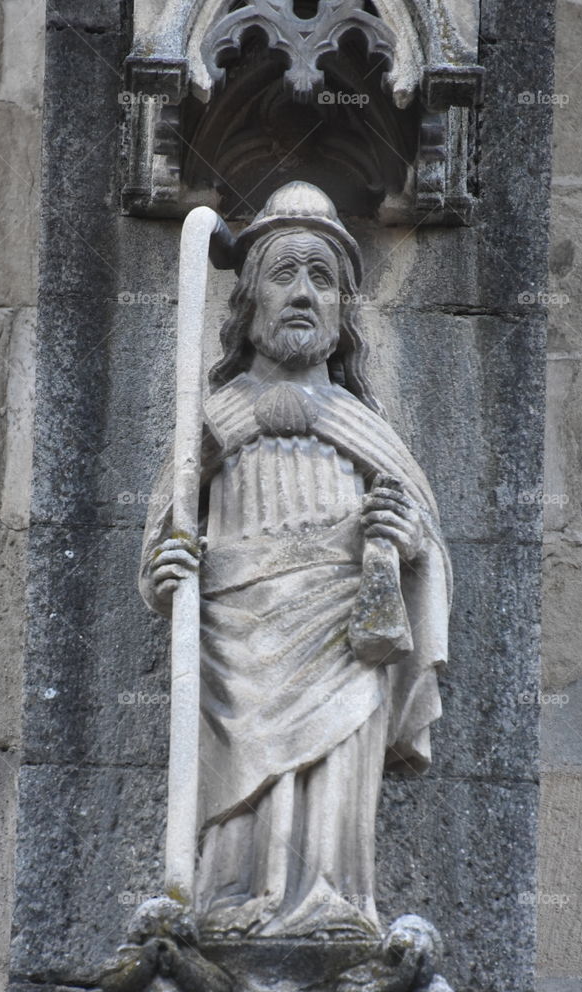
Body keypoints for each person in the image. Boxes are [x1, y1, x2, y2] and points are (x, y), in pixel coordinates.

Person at [140, 182, 451, 939]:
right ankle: (224, 904)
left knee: (333, 800)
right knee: (240, 813)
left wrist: (407, 546)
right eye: (285, 274)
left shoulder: (365, 429)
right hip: (235, 639)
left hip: (343, 642)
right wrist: (167, 569)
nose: (304, 293)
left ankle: (331, 905)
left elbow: (428, 552)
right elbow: (165, 534)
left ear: (345, 311)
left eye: (322, 278)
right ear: (248, 304)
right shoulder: (212, 420)